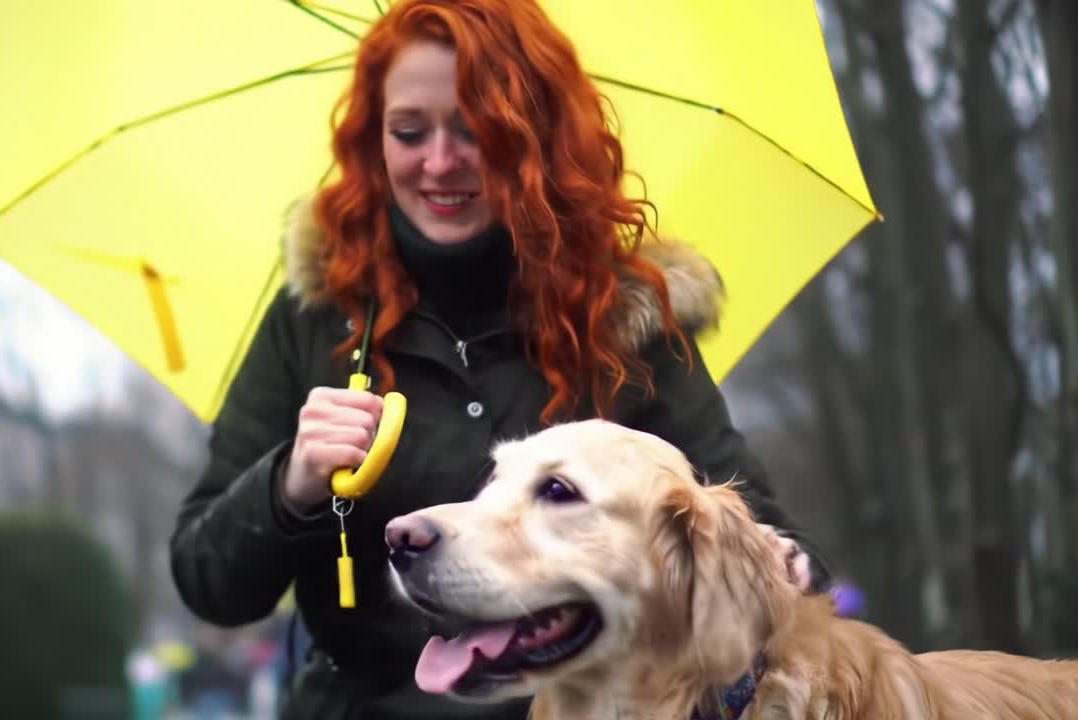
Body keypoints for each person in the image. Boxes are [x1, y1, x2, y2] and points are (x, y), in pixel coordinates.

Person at [169, 1, 831, 718]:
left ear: (531, 137)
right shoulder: (314, 318)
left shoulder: (624, 314)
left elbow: (768, 543)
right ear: (372, 141)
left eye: (475, 131)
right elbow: (208, 581)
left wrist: (782, 563)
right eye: (409, 132)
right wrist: (289, 484)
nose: (440, 162)